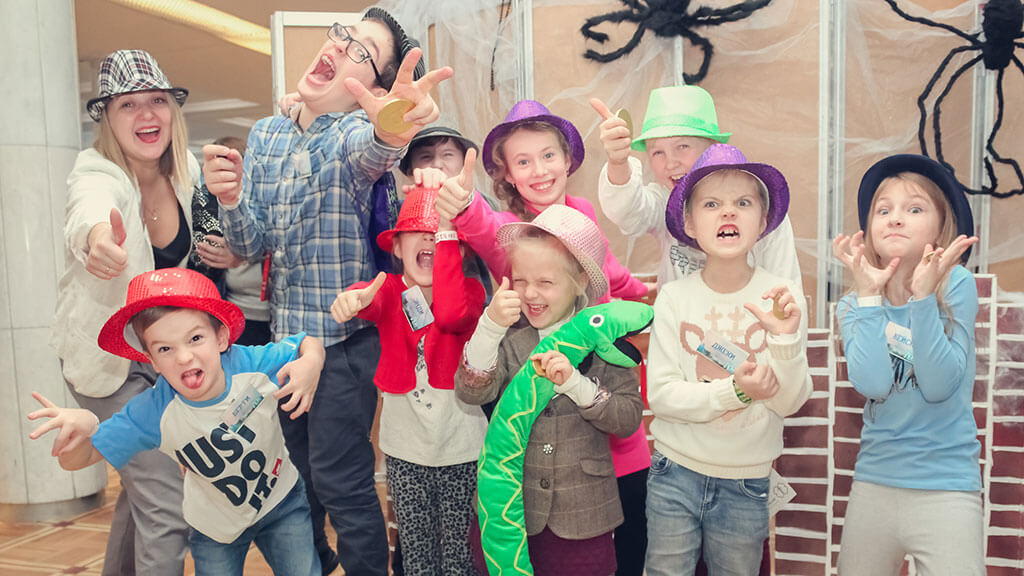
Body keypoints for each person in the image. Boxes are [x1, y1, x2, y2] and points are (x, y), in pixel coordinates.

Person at [201, 8, 452, 574]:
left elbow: (377, 146)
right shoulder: (267, 134)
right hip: (285, 347)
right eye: (343, 35)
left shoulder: (350, 136)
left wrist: (394, 125)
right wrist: (232, 199)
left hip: (343, 346)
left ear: (374, 90)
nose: (340, 47)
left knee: (342, 481)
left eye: (362, 52)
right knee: (293, 481)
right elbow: (251, 243)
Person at [435, 98, 651, 574]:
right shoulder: (509, 236)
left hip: (593, 475)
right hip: (525, 487)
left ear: (568, 159)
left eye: (547, 155)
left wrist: (642, 300)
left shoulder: (583, 214)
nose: (538, 169)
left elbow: (610, 273)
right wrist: (464, 206)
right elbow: (484, 227)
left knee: (631, 534)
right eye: (523, 161)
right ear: (507, 173)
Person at [31, 269, 325, 576]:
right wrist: (85, 430)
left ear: (221, 337)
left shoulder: (251, 364)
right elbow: (80, 458)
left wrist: (311, 362)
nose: (184, 357)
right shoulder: (153, 412)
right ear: (152, 361)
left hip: (282, 502)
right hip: (215, 529)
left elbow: (308, 343)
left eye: (195, 338)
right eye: (165, 349)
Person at [51, 48, 198, 575]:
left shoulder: (187, 171)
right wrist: (96, 240)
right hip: (108, 363)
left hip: (159, 357)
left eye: (156, 100)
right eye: (128, 105)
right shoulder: (97, 170)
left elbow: (209, 239)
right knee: (166, 503)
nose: (146, 115)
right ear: (108, 119)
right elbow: (88, 208)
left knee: (142, 494)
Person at [645, 144, 812, 575]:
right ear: (689, 223)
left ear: (763, 221)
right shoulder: (674, 297)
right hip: (674, 472)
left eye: (743, 203)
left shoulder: (782, 297)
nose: (727, 213)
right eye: (711, 204)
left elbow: (789, 401)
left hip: (747, 481)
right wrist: (736, 391)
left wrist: (784, 339)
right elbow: (661, 396)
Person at [455, 204, 642, 575]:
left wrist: (578, 386)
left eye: (545, 283)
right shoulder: (509, 338)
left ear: (579, 282)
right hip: (511, 510)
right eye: (520, 280)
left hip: (582, 518)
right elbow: (471, 393)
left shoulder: (604, 341)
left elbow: (627, 419)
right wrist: (489, 328)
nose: (530, 293)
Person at [833, 155, 983, 576]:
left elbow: (938, 385)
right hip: (875, 482)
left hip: (947, 487)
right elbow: (874, 384)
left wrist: (922, 299)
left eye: (914, 209)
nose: (895, 218)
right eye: (884, 210)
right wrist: (869, 300)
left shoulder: (956, 285)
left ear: (941, 227)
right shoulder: (853, 304)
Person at [331, 187, 487, 575]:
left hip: (462, 449)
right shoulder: (389, 289)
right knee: (416, 553)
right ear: (397, 247)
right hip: (404, 452)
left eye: (441, 234)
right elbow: (370, 297)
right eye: (417, 232)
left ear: (458, 250)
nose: (430, 239)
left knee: (460, 555)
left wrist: (448, 239)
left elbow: (450, 315)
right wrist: (353, 298)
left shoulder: (470, 292)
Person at [592, 86, 800, 288]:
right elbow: (627, 211)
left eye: (683, 146)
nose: (670, 163)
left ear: (712, 147)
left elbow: (786, 288)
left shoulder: (760, 210)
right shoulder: (665, 200)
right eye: (657, 152)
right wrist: (618, 162)